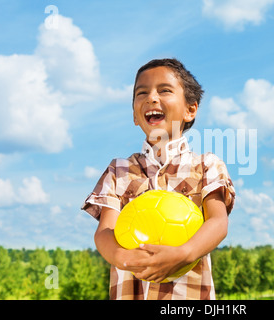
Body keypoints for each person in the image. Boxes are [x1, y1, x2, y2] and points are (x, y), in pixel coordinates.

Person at [81, 58, 235, 300]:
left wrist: (185, 253)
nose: (151, 98)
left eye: (164, 90)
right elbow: (105, 231)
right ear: (134, 115)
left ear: (190, 110)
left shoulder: (207, 165)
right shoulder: (118, 171)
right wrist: (123, 257)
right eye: (142, 93)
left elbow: (218, 222)